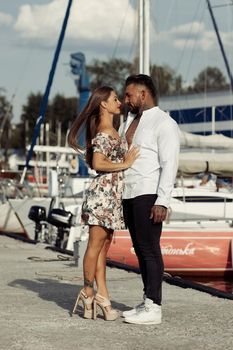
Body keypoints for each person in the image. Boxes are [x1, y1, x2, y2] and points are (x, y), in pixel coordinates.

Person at [68, 86, 139, 321]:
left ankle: (102, 296)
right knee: (94, 246)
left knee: (103, 247)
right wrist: (125, 164)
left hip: (111, 196)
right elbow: (98, 163)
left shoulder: (114, 130)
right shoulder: (103, 133)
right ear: (104, 105)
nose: (119, 102)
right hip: (102, 195)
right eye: (115, 99)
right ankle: (88, 292)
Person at [119, 74, 180, 325]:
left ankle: (154, 307)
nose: (125, 100)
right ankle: (147, 300)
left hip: (148, 193)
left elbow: (170, 165)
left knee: (150, 250)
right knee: (140, 250)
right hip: (129, 193)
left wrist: (162, 201)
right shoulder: (129, 121)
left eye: (129, 95)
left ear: (143, 94)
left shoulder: (164, 123)